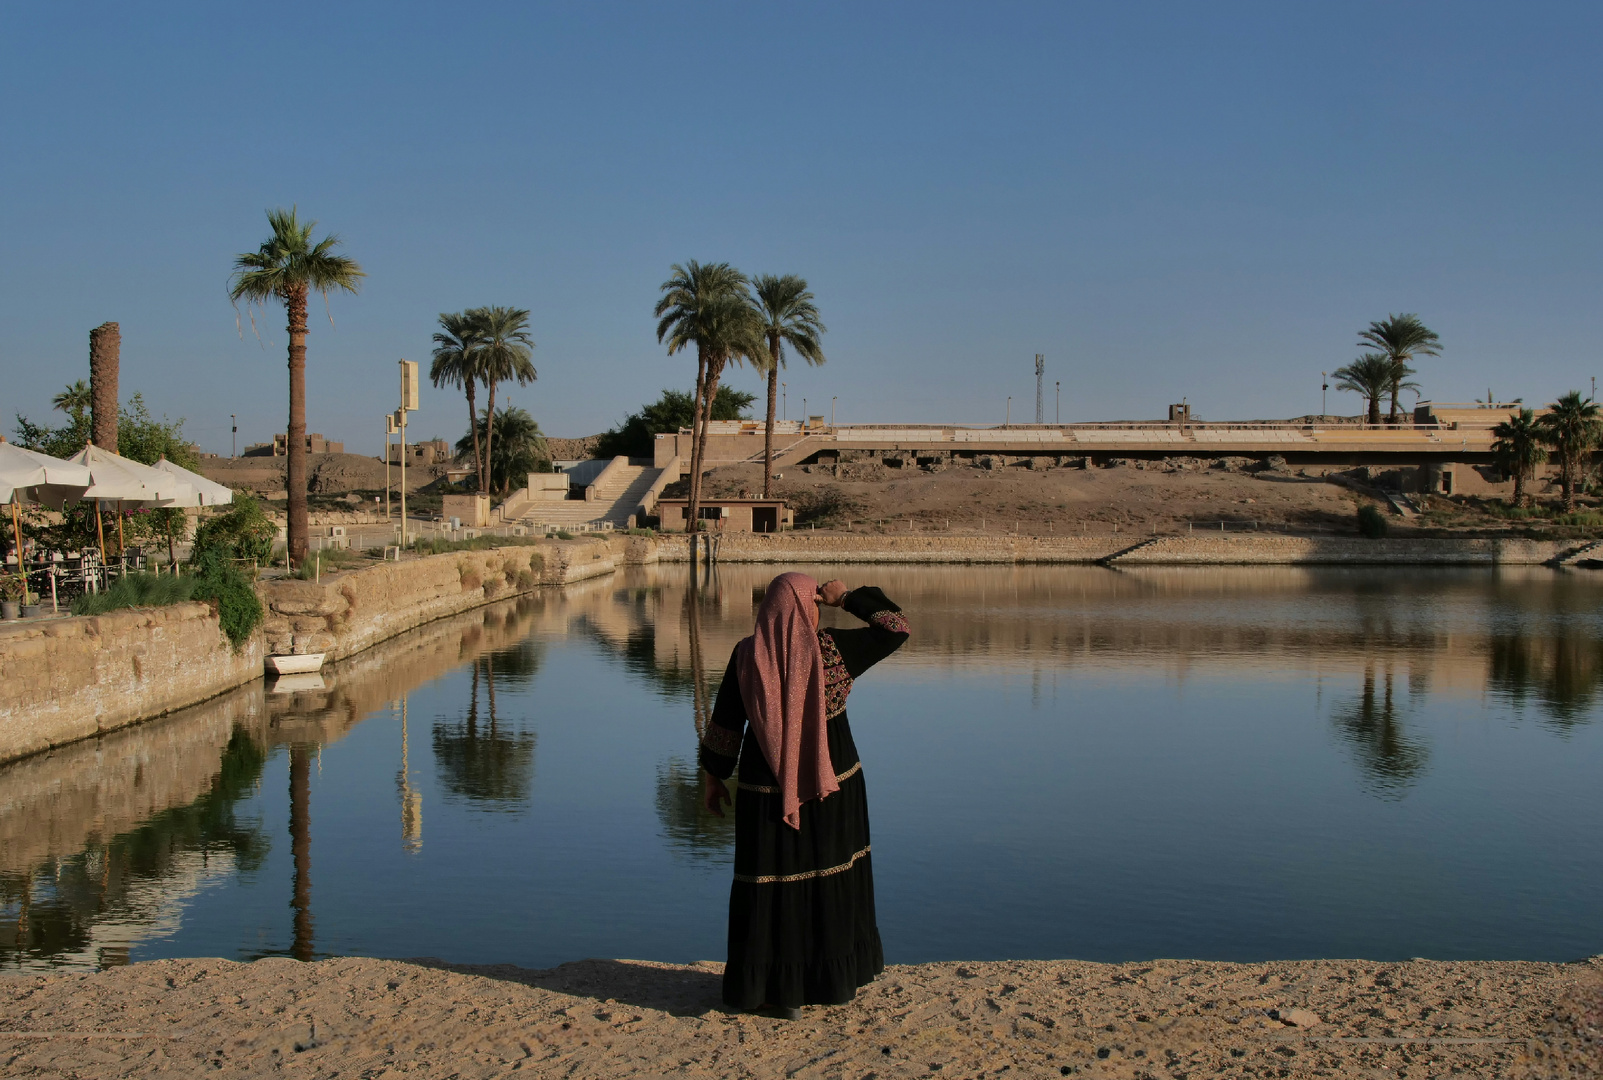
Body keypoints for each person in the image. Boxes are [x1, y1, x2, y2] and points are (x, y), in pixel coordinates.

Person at [699, 572, 911, 1017]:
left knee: (772, 885)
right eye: (813, 599)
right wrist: (848, 597)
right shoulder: (832, 650)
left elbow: (724, 727)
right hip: (834, 787)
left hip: (766, 795)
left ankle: (773, 993)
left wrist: (714, 777)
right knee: (830, 876)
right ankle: (833, 982)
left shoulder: (745, 657)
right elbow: (896, 627)